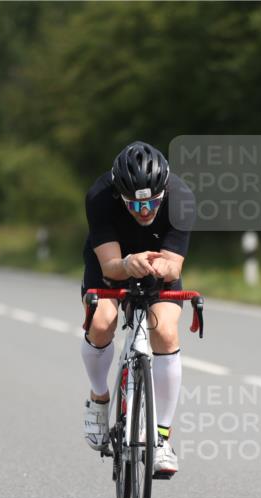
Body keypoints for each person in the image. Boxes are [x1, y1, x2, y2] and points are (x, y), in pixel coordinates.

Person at [80, 141, 195, 478]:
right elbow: (110, 266)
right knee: (102, 321)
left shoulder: (181, 197)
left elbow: (174, 267)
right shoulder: (100, 196)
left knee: (165, 331)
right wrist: (129, 264)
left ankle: (161, 438)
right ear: (120, 195)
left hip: (159, 261)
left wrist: (159, 268)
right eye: (135, 204)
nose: (145, 210)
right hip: (114, 260)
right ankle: (99, 399)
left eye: (152, 202)